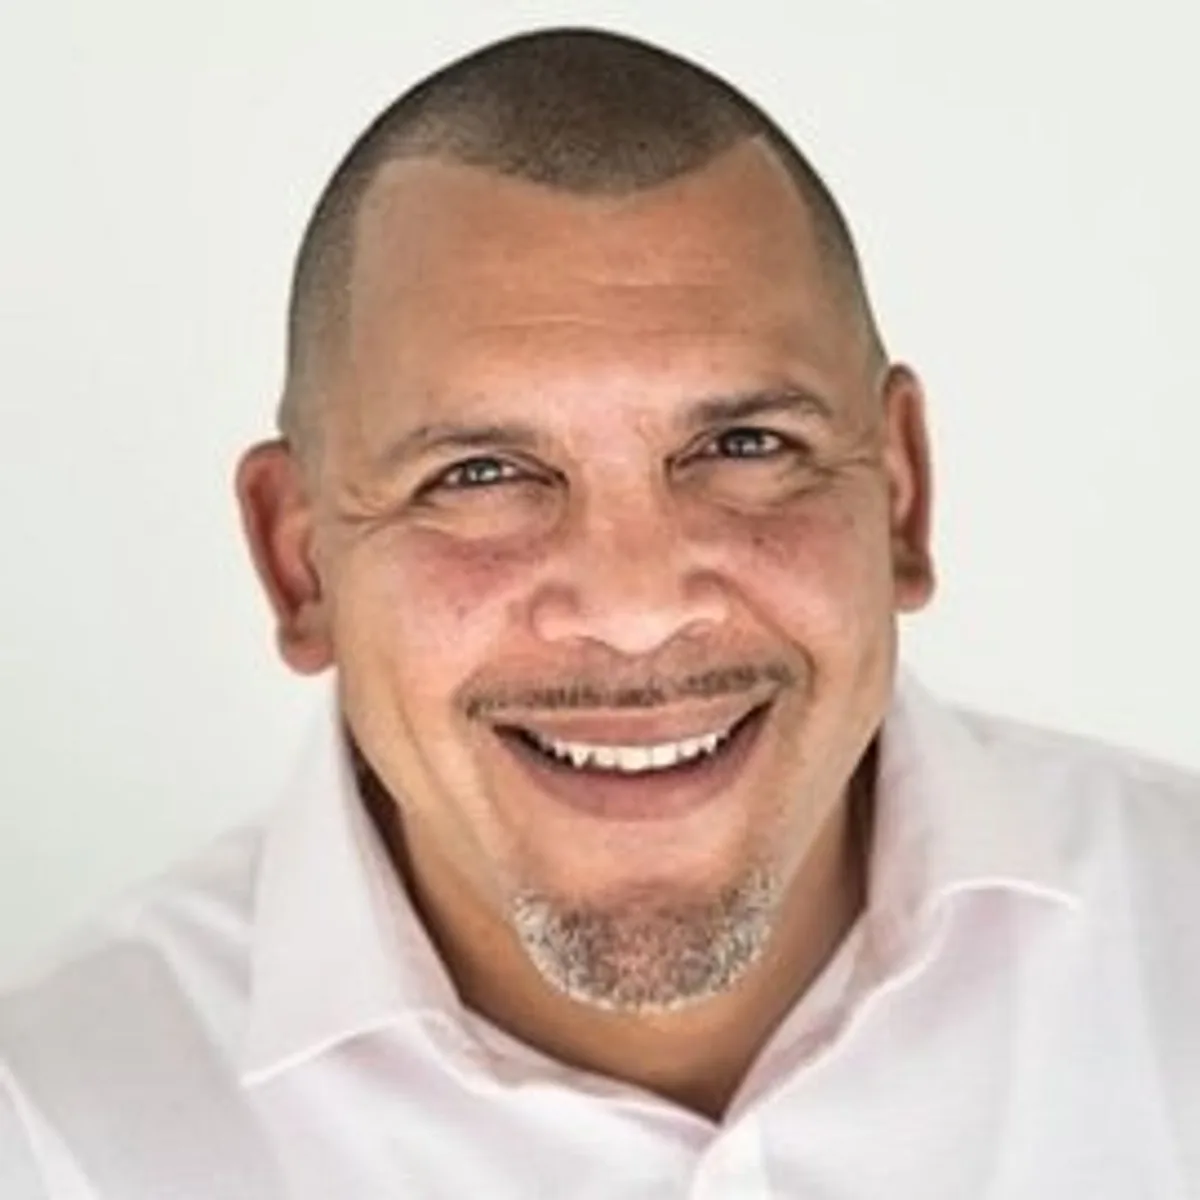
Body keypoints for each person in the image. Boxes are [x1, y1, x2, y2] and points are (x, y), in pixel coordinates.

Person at [1, 25, 1197, 1199]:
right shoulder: (51, 1139)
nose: (636, 610)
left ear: (900, 495)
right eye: (478, 474)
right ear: (299, 565)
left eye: (744, 445)